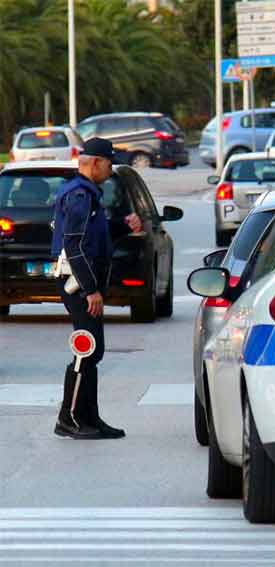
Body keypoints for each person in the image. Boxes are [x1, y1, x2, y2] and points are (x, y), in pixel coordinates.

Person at [51, 138, 142, 439]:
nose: (112, 168)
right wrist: (91, 290)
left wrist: (122, 226)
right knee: (85, 350)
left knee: (93, 350)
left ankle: (90, 418)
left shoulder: (88, 194)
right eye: (110, 162)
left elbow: (94, 237)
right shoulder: (79, 195)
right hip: (77, 283)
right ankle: (70, 418)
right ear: (97, 163)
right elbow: (74, 244)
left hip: (83, 282)